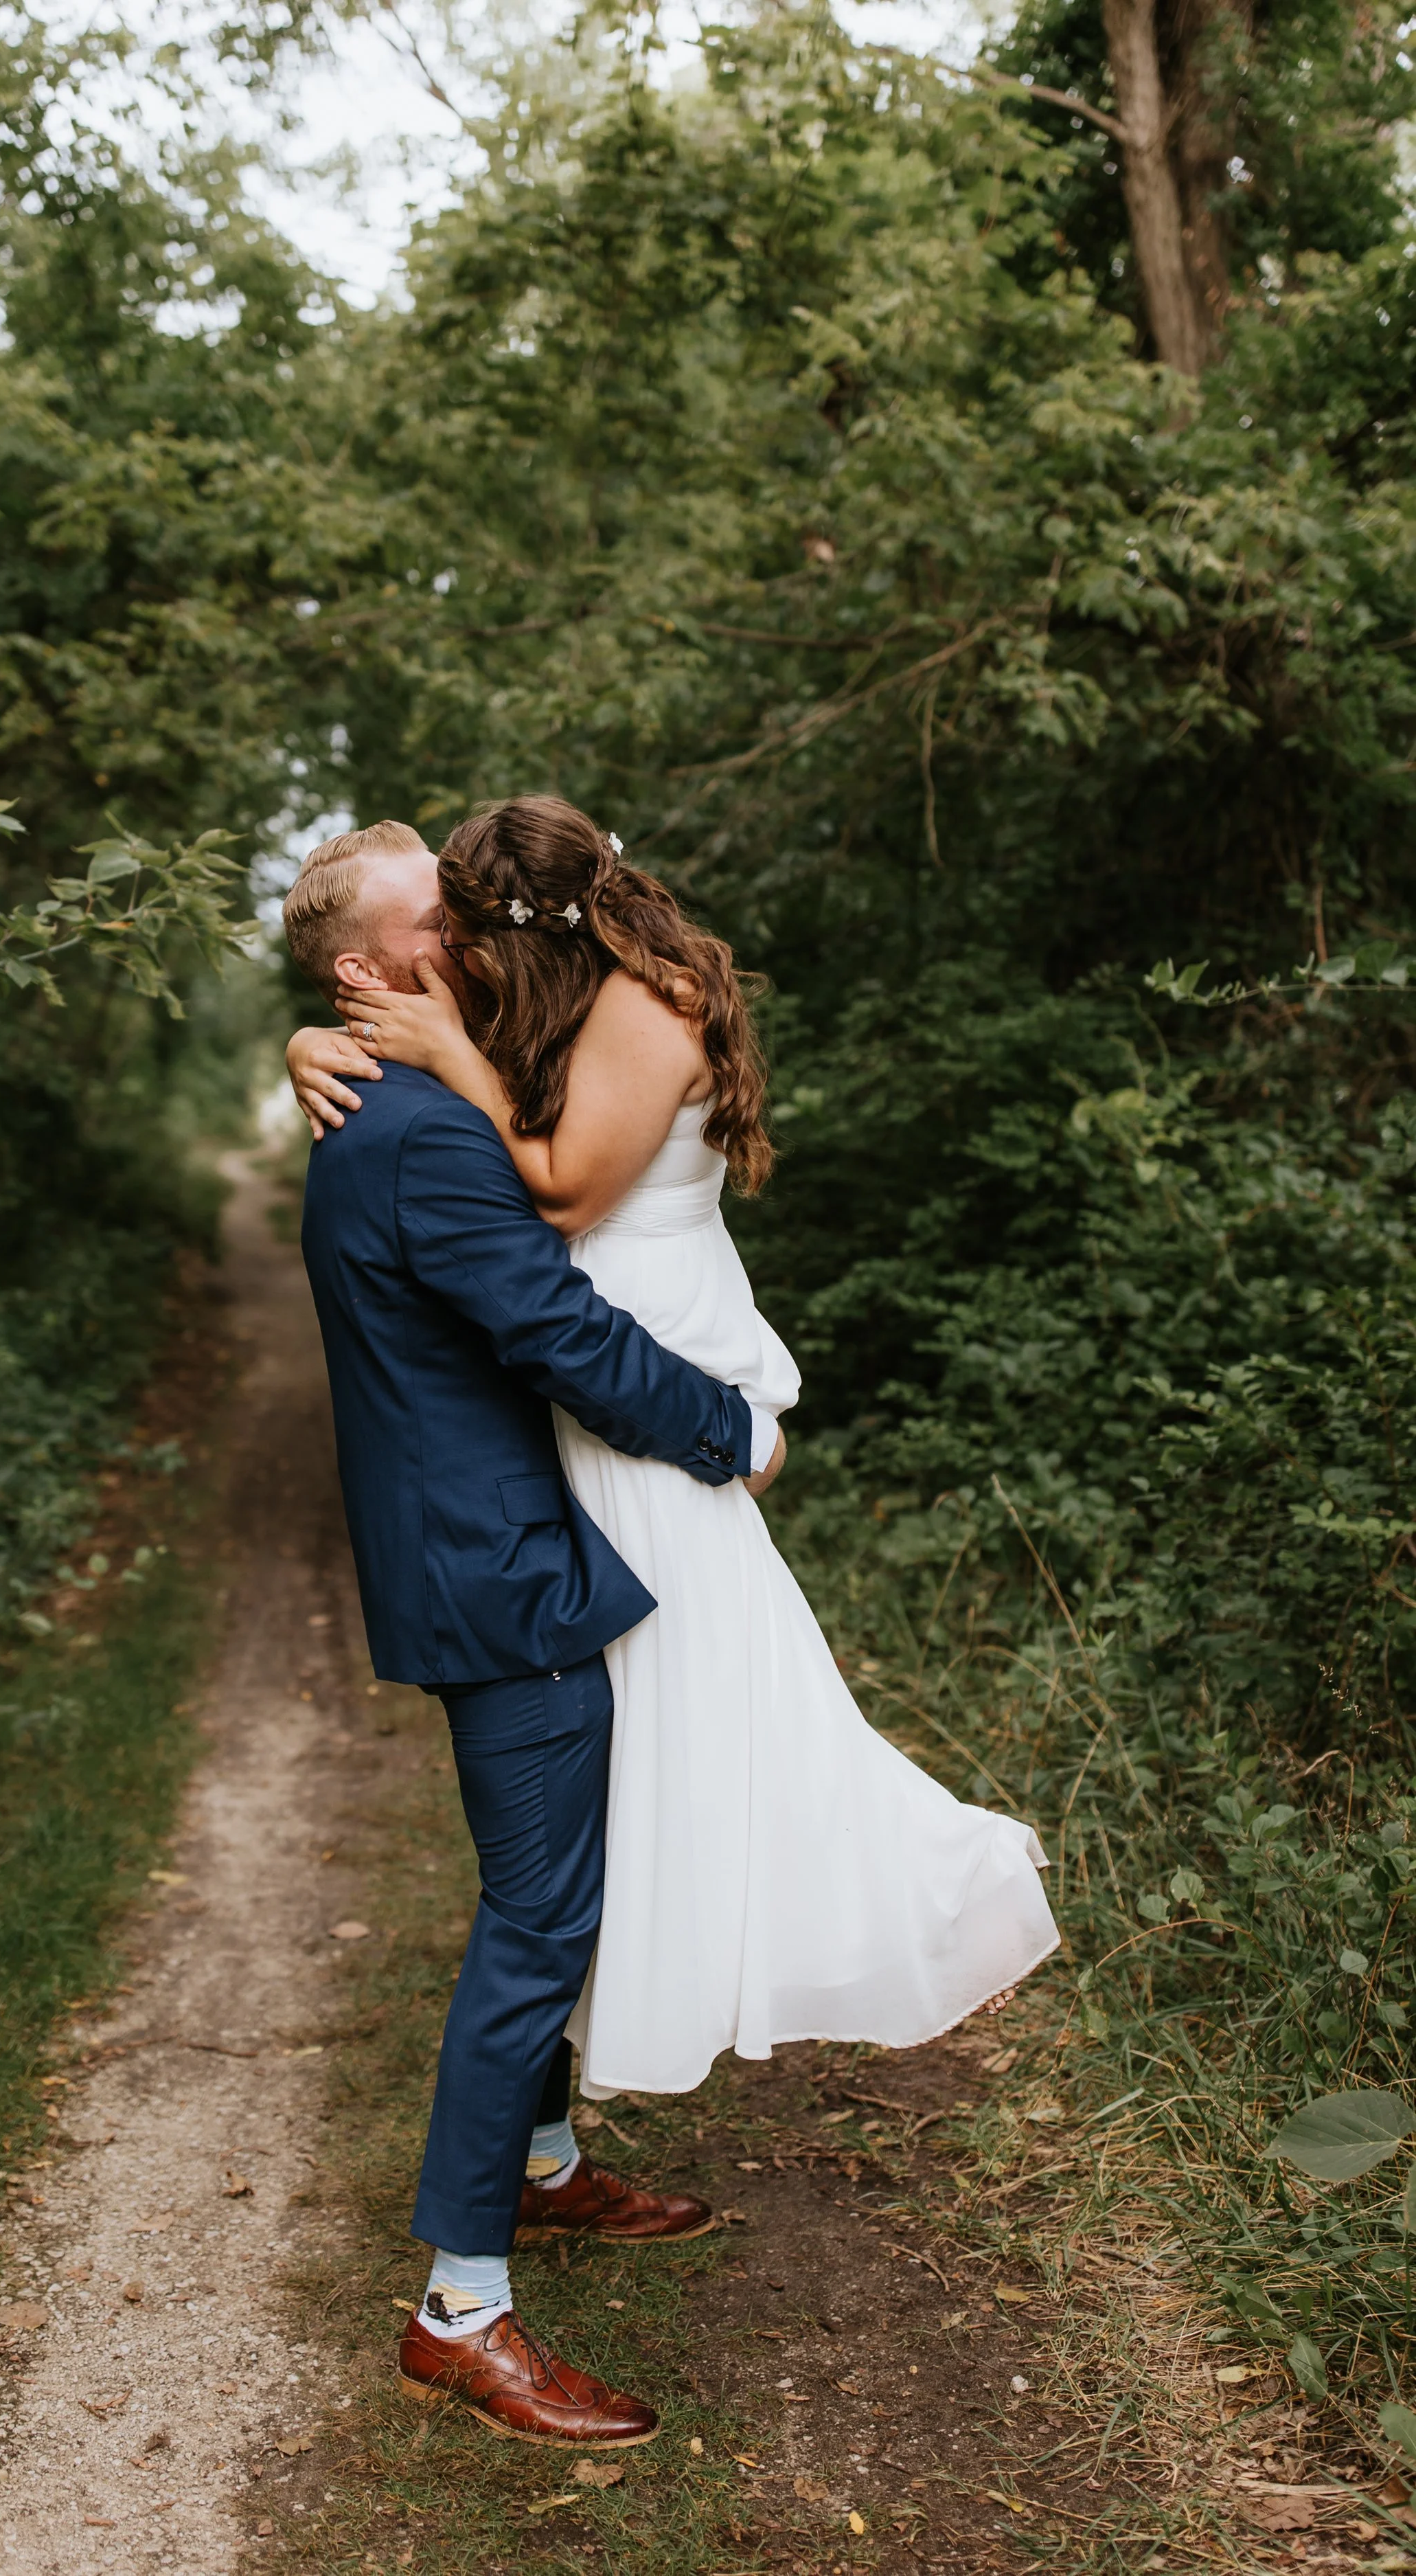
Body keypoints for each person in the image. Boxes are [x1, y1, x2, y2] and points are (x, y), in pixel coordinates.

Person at [287, 795, 1058, 2117]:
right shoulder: (535, 1001)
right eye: (443, 927)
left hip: (651, 1386)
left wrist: (445, 1058)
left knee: (731, 1712)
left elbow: (569, 1192)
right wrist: (312, 1041)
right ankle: (560, 2108)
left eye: (468, 923)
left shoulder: (644, 1004)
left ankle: (924, 1903)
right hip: (592, 1410)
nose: (460, 949)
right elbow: (425, 1082)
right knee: (650, 1747)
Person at [282, 820, 787, 2450]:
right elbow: (557, 1328)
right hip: (496, 1569)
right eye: (445, 915)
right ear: (368, 972)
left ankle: (548, 2169)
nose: (482, 926)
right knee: (538, 1927)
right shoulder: (419, 1131)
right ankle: (460, 2313)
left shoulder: (413, 1097)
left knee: (554, 1895)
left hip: (485, 1545)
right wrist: (729, 1432)